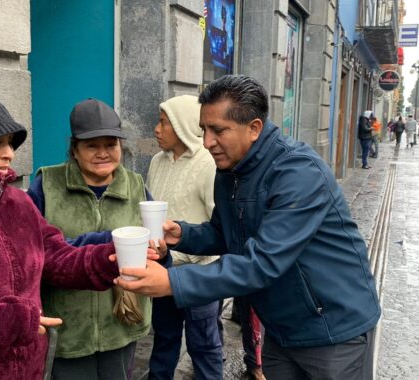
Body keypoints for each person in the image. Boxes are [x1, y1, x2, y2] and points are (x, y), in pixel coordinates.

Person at [116, 75, 381, 380]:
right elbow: (225, 233)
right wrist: (182, 234)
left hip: (334, 330)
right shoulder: (229, 169)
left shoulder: (298, 172)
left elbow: (263, 262)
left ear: (254, 128)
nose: (207, 142)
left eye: (218, 130)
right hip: (280, 329)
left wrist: (174, 282)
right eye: (204, 129)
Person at [0, 88, 151, 379]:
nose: (9, 154)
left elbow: (56, 257)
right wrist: (11, 321)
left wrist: (111, 258)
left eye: (9, 143)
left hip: (30, 369)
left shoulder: (17, 203)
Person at [28, 98, 152, 380]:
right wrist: (104, 241)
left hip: (121, 323)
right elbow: (33, 251)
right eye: (92, 145)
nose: (103, 153)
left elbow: (155, 249)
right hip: (69, 326)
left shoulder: (136, 186)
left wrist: (162, 250)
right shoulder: (46, 185)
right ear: (74, 149)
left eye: (111, 144)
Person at [145, 95, 223, 380]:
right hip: (162, 268)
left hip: (199, 273)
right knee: (164, 337)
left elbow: (219, 223)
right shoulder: (157, 161)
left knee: (204, 344)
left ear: (182, 125)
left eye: (164, 123)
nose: (156, 129)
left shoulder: (209, 164)